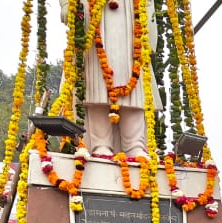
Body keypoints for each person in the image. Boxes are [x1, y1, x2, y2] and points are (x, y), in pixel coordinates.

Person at [66, 0, 156, 160]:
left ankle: (135, 144)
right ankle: (100, 144)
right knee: (96, 84)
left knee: (134, 83)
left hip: (130, 17)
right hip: (94, 19)